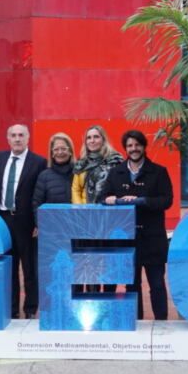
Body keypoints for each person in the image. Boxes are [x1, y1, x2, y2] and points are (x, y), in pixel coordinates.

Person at [101, 130, 174, 321]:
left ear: (143, 146)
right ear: (125, 148)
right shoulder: (115, 173)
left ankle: (161, 324)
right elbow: (103, 198)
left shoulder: (159, 172)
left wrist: (141, 200)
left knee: (157, 284)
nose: (134, 149)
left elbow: (167, 201)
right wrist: (114, 200)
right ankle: (137, 323)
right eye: (130, 146)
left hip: (153, 238)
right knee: (131, 286)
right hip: (126, 240)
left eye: (137, 145)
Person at [0, 124, 47, 319]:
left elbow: (41, 194)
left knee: (29, 267)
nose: (17, 139)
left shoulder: (38, 162)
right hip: (3, 220)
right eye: (13, 135)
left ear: (28, 138)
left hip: (27, 223)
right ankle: (12, 309)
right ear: (8, 138)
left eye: (21, 135)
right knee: (9, 266)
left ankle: (30, 309)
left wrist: (39, 223)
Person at [72, 125, 124, 294]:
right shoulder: (81, 164)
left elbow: (121, 187)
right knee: (89, 259)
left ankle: (108, 296)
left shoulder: (115, 161)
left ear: (103, 139)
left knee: (109, 259)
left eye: (96, 137)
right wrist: (84, 210)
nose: (92, 141)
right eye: (89, 138)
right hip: (86, 220)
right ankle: (91, 295)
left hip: (110, 218)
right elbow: (76, 190)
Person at [32, 132, 75, 212]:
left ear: (70, 151)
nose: (60, 152)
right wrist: (41, 223)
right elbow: (37, 205)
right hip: (51, 223)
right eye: (56, 149)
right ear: (52, 153)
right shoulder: (44, 176)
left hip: (76, 222)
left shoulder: (79, 173)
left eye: (63, 148)